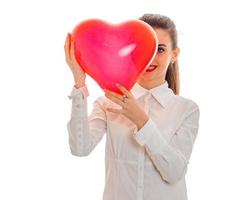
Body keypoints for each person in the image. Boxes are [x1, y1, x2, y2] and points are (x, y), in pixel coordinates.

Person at [65, 13, 200, 200]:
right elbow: (80, 149)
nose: (150, 57)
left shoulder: (186, 109)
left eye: (160, 49)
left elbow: (174, 172)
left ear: (174, 55)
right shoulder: (108, 102)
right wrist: (79, 84)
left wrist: (142, 121)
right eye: (144, 48)